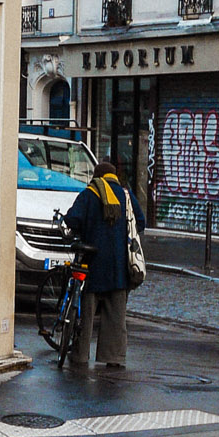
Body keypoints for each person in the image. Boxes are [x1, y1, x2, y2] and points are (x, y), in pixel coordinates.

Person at [65, 155, 145, 368]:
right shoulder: (125, 195)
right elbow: (141, 222)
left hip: (91, 265)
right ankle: (114, 357)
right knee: (116, 318)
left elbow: (72, 219)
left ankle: (80, 355)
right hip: (119, 269)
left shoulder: (89, 194)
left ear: (97, 177)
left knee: (85, 316)